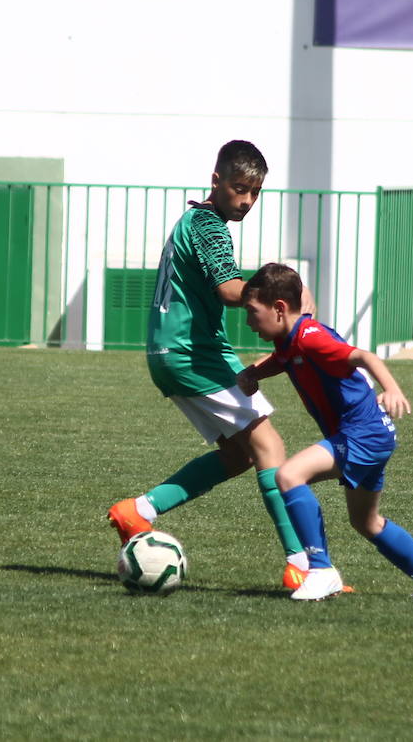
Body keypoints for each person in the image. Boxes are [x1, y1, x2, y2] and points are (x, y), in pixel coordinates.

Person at [107, 140, 314, 590]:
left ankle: (138, 511)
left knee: (239, 455)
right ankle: (302, 564)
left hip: (176, 353)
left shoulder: (202, 221)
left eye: (255, 192)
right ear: (216, 181)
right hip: (190, 353)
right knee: (270, 449)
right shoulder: (208, 225)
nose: (246, 201)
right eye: (239, 189)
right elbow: (230, 289)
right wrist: (289, 295)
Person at [236, 263, 413, 602]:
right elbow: (283, 360)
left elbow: (363, 356)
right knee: (366, 522)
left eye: (253, 313)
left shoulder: (311, 338)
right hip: (374, 435)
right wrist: (252, 373)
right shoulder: (292, 339)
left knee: (289, 475)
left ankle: (321, 570)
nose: (249, 322)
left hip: (363, 433)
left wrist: (391, 389)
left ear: (279, 309)